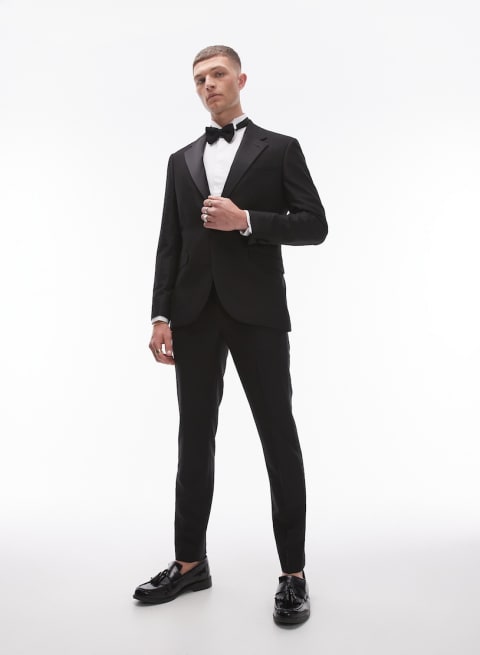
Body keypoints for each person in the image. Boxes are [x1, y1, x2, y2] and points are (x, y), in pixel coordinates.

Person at [133, 45, 327, 625]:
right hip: (192, 315)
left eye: (218, 74)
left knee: (277, 436)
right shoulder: (180, 160)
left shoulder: (280, 149)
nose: (208, 85)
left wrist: (246, 221)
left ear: (241, 79)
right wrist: (160, 315)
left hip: (257, 313)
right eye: (199, 79)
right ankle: (190, 563)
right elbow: (169, 241)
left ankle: (293, 574)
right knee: (194, 439)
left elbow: (315, 225)